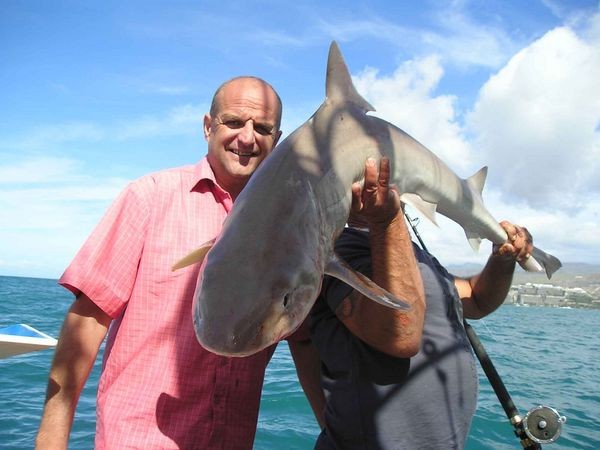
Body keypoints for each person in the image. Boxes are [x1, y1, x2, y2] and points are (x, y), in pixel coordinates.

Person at [36, 76, 324, 449]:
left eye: (263, 128)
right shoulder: (149, 198)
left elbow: (303, 341)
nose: (247, 138)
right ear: (208, 127)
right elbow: (88, 319)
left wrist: (335, 432)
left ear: (277, 139)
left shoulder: (291, 225)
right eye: (234, 122)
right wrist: (51, 440)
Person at [310, 157, 534, 449]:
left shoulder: (417, 257)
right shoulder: (337, 253)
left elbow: (476, 299)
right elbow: (400, 334)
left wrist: (502, 260)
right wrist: (386, 222)